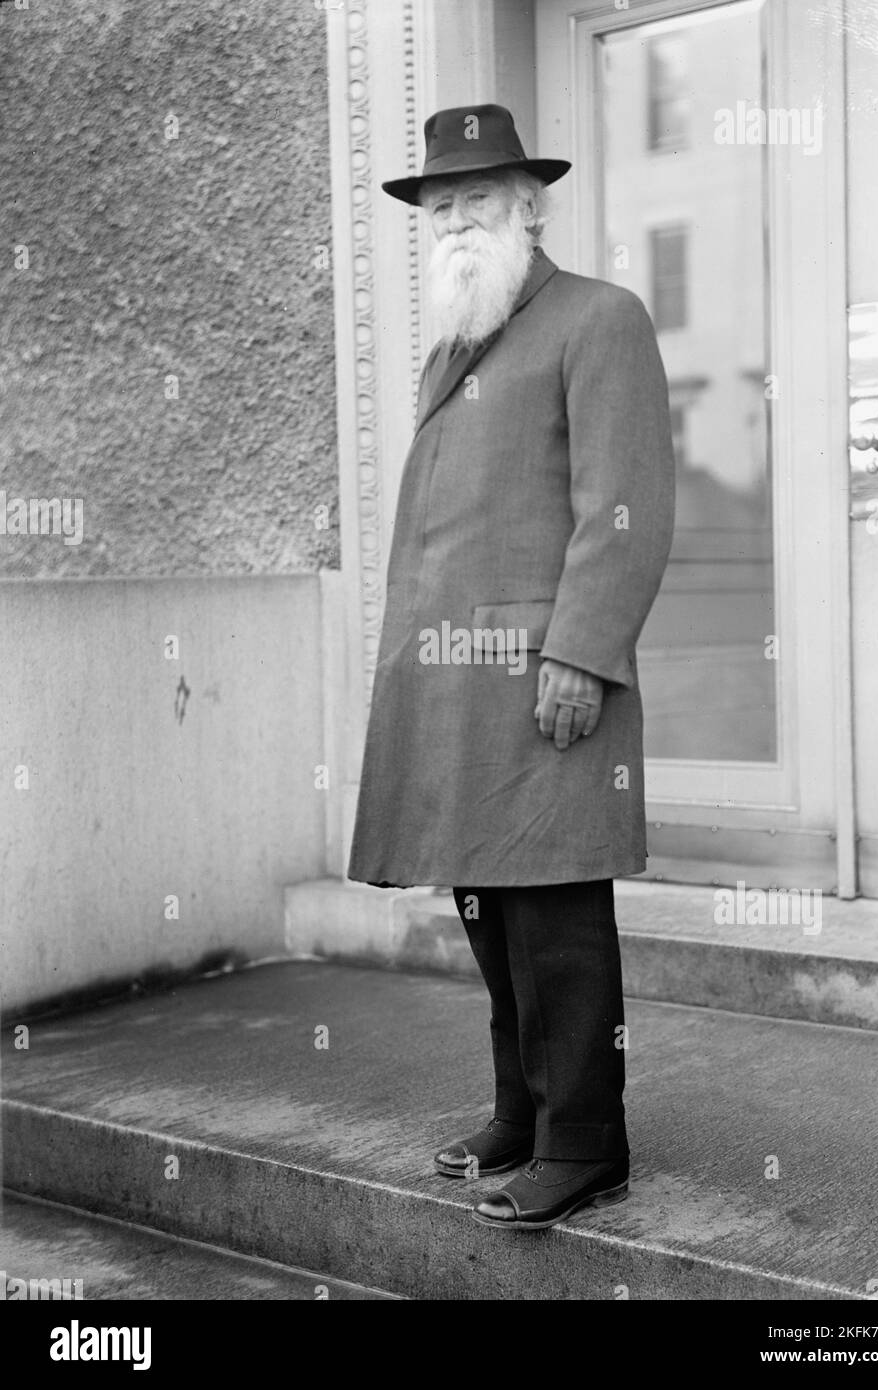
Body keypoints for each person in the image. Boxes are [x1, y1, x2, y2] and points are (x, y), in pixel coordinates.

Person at [346, 104, 676, 1230]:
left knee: (557, 915)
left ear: (529, 209)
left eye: (477, 201)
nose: (455, 223)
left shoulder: (601, 318)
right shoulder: (457, 344)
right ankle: (522, 1111)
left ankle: (588, 1140)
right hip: (452, 683)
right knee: (488, 904)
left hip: (545, 678)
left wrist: (582, 654)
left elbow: (621, 512)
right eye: (440, 207)